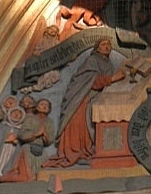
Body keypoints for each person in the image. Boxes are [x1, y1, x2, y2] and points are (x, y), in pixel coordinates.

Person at [43, 38, 126, 167]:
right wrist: (114, 78)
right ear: (97, 48)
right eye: (103, 44)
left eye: (109, 44)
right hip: (81, 96)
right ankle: (74, 152)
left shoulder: (108, 64)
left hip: (93, 97)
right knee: (78, 123)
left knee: (88, 126)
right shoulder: (92, 60)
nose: (107, 47)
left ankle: (84, 151)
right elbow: (91, 80)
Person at [0, 99, 54, 183]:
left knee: (41, 173)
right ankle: (2, 179)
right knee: (26, 173)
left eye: (47, 105)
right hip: (28, 148)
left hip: (41, 150)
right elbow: (22, 134)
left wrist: (45, 135)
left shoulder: (49, 122)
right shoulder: (30, 119)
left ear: (49, 109)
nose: (44, 106)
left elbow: (50, 140)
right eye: (42, 104)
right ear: (37, 107)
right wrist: (36, 134)